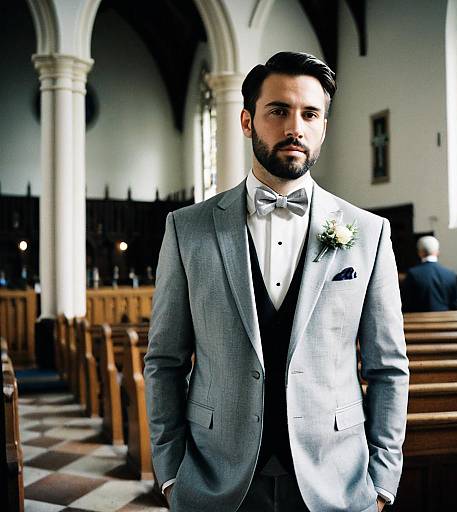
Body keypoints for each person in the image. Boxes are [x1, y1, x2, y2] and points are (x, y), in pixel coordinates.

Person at [144, 51, 409, 512]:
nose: (295, 127)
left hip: (337, 480)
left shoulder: (368, 232)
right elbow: (164, 361)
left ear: (324, 127)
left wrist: (382, 480)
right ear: (247, 121)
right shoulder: (187, 229)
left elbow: (388, 367)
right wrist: (171, 475)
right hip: (216, 480)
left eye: (310, 114)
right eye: (278, 111)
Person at [402, 235, 457, 312]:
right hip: (445, 319)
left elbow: (406, 302)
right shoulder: (450, 273)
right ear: (437, 252)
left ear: (420, 253)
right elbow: (455, 304)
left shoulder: (413, 274)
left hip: (420, 320)